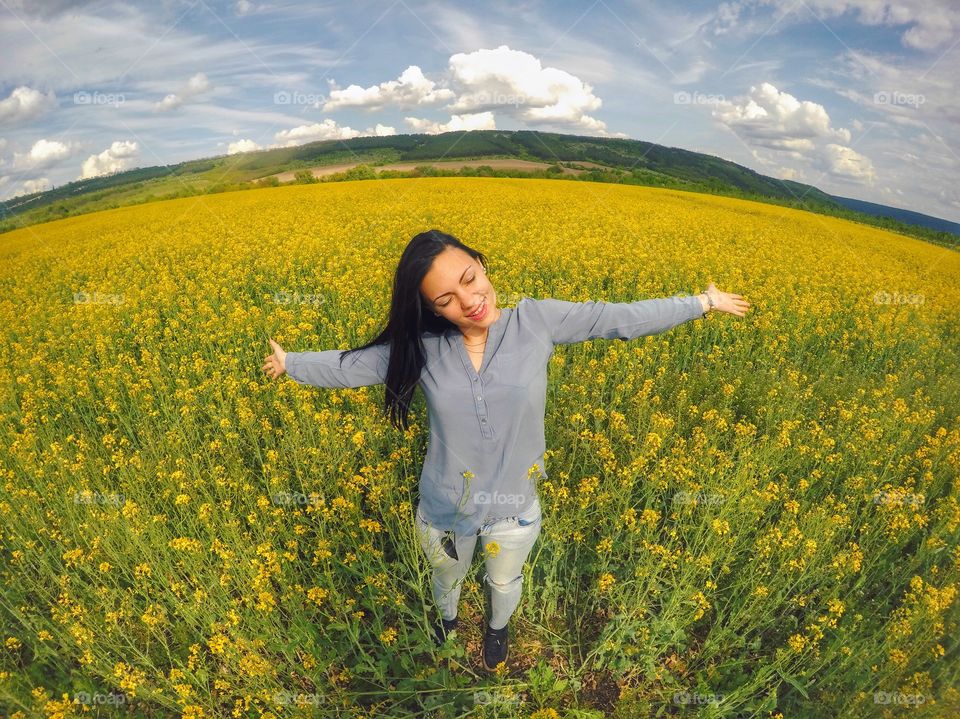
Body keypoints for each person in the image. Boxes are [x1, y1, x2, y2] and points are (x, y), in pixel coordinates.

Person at [262, 228, 751, 672]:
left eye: (471, 279)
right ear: (432, 309)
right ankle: (447, 625)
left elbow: (617, 317)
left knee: (503, 582)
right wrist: (294, 363)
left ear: (481, 262)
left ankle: (497, 630)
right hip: (444, 509)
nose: (470, 301)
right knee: (446, 583)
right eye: (447, 299)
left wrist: (700, 303)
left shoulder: (536, 320)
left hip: (514, 507)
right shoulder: (423, 349)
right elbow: (354, 366)